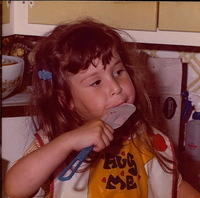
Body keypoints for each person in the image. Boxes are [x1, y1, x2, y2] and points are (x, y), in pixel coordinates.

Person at [5, 18, 200, 198]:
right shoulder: (56, 143)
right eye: (96, 82)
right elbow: (14, 189)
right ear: (65, 98)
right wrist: (67, 142)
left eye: (118, 71)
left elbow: (174, 186)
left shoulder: (147, 139)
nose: (115, 87)